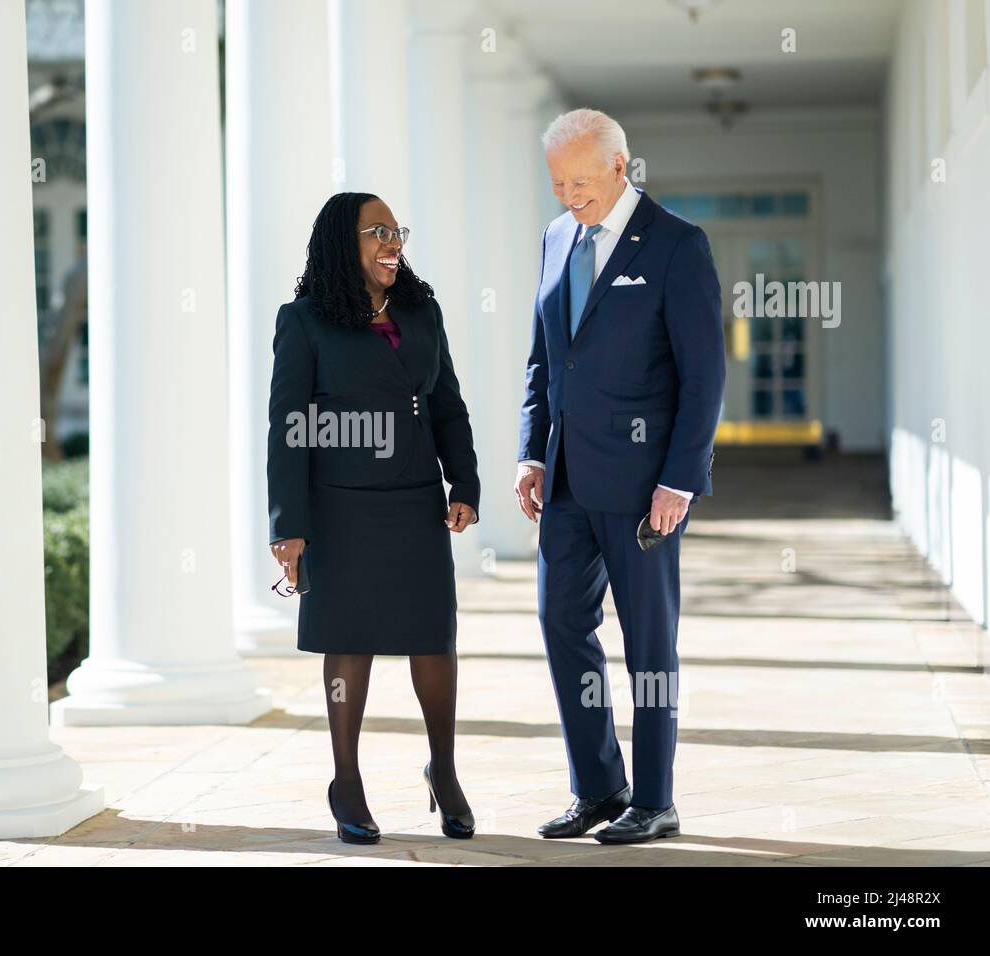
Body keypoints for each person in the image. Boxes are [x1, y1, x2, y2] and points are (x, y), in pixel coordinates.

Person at [515, 109, 725, 844]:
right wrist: (532, 452)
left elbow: (705, 378)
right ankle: (599, 787)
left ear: (619, 166)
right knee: (560, 622)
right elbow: (545, 358)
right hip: (567, 481)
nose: (569, 196)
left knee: (648, 643)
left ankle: (657, 798)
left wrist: (680, 481)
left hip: (644, 490)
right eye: (556, 183)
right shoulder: (553, 238)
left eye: (580, 181)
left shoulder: (676, 246)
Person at [267, 191, 481, 845]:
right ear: (343, 242)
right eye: (377, 231)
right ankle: (346, 781)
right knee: (349, 639)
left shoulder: (422, 312)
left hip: (415, 498)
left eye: (397, 231)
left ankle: (443, 770)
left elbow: (447, 405)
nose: (393, 242)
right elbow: (288, 427)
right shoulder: (304, 321)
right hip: (339, 507)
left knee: (433, 640)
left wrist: (464, 480)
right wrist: (288, 525)